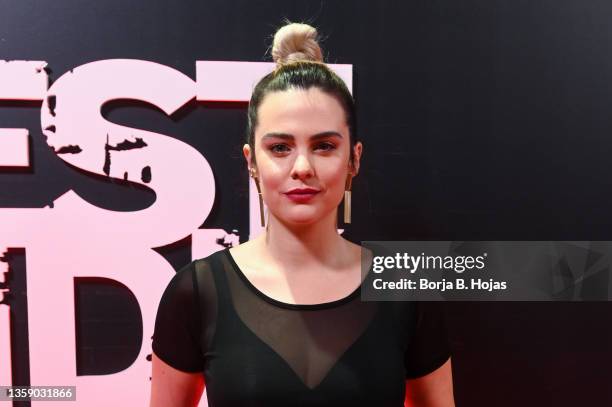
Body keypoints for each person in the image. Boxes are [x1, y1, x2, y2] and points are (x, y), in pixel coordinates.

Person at [150, 22, 454, 407]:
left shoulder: (405, 293)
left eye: (324, 146)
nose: (302, 167)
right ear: (252, 161)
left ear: (354, 158)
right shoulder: (197, 293)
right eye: (280, 148)